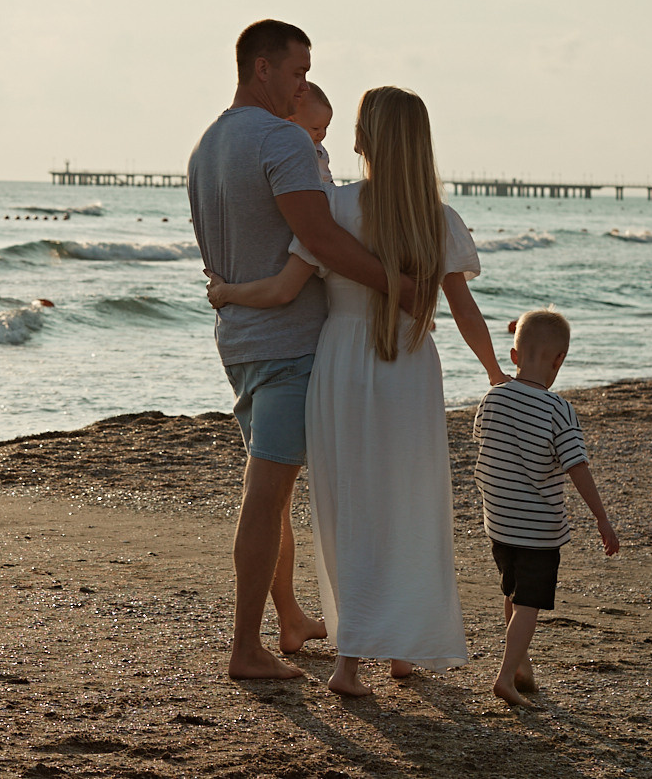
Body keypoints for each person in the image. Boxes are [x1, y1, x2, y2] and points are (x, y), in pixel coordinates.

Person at [207, 85, 508, 696]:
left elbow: (286, 289)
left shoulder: (335, 209)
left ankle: (350, 662)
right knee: (407, 507)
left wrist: (227, 293)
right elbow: (466, 310)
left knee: (350, 513)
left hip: (340, 366)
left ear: (361, 139)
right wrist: (495, 373)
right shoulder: (437, 218)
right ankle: (400, 650)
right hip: (409, 370)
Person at [186, 21, 410, 682]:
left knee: (275, 493)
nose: (303, 85)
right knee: (266, 493)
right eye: (297, 71)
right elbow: (323, 239)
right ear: (262, 67)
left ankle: (285, 617)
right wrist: (400, 285)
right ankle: (244, 647)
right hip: (286, 346)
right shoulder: (282, 138)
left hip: (240, 341)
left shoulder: (207, 144)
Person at [473, 307, 620, 707]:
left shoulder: (493, 397)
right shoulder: (557, 409)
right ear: (560, 360)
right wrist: (601, 518)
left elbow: (483, 447)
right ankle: (505, 677)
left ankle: (519, 666)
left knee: (513, 592)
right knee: (529, 603)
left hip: (499, 524)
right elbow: (576, 465)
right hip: (537, 529)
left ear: (514, 355)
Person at [289, 82, 333, 178]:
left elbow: (327, 179)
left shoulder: (320, 153)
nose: (322, 133)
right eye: (315, 128)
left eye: (326, 127)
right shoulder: (285, 151)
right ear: (291, 122)